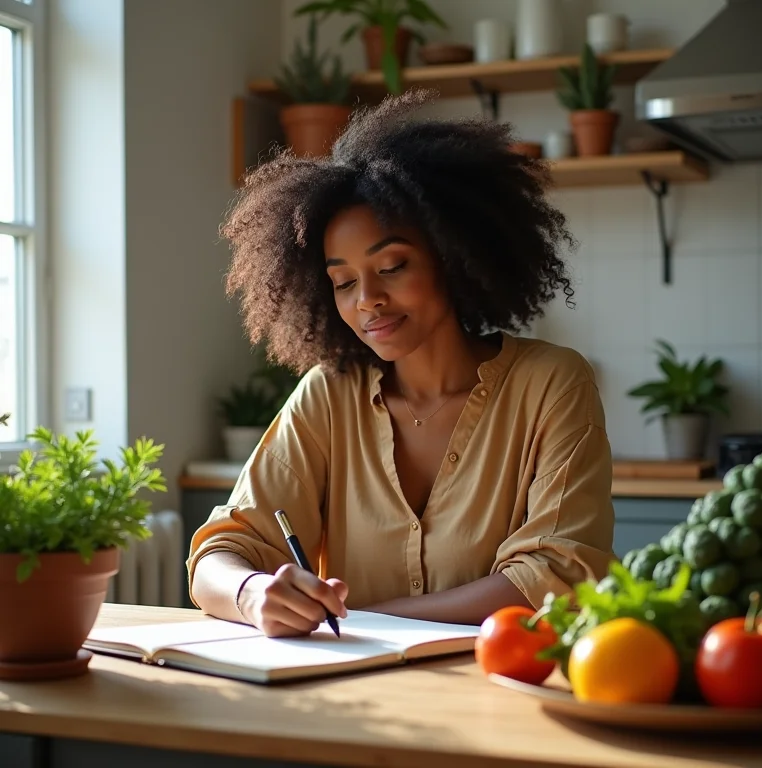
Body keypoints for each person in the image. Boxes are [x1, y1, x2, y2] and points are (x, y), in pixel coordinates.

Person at [188, 89, 615, 638]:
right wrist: (252, 594)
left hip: (501, 692)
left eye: (391, 267)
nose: (366, 299)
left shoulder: (551, 383)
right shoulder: (329, 395)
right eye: (342, 281)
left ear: (454, 256)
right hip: (353, 701)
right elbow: (221, 552)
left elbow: (557, 574)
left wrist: (363, 621)